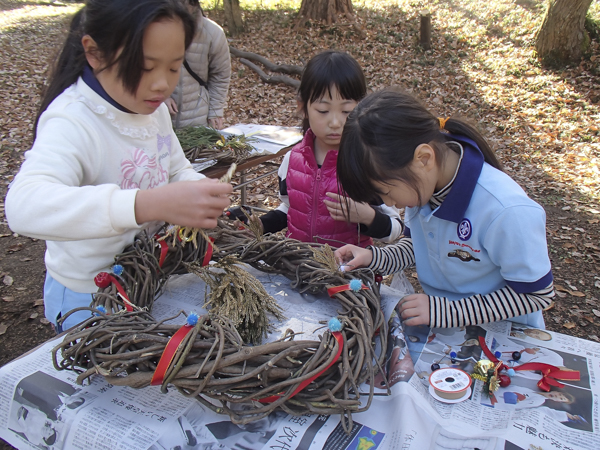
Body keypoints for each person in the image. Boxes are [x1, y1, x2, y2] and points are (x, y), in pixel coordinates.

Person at [4, 0, 232, 332]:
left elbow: (174, 167)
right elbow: (23, 206)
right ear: (95, 53)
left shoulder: (150, 109)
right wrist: (145, 204)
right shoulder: (73, 120)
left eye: (173, 67)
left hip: (143, 276)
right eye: (145, 66)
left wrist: (198, 189)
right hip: (88, 296)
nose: (161, 84)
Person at [334, 88, 555, 329]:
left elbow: (537, 294)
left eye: (386, 192)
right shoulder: (423, 187)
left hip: (506, 339)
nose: (389, 203)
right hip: (449, 332)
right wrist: (376, 258)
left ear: (424, 158)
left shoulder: (505, 211)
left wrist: (447, 311)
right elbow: (418, 247)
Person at [255, 50, 403, 248]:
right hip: (299, 267)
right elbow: (291, 208)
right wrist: (261, 225)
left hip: (350, 273)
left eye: (346, 111)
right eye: (323, 111)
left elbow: (395, 228)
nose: (335, 122)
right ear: (303, 107)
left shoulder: (368, 164)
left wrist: (368, 217)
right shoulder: (292, 159)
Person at [165, 0, 231, 129]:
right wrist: (162, 98)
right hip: (160, 120)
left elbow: (220, 75)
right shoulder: (154, 29)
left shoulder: (213, 33)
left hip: (197, 120)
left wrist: (215, 110)